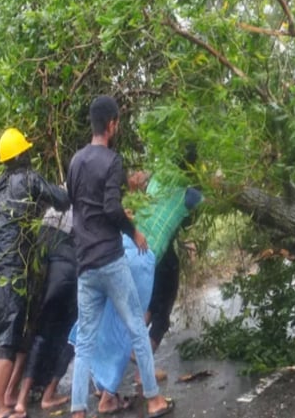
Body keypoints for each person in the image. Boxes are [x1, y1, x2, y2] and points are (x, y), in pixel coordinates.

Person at [67, 95, 173, 418]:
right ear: (111, 124)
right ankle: (154, 400)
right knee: (137, 329)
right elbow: (111, 208)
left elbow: (83, 208)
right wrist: (133, 232)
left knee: (85, 341)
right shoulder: (112, 161)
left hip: (85, 264)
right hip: (111, 260)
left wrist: (112, 214)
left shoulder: (74, 162)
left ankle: (77, 410)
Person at [90, 144, 202, 412]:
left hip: (124, 245)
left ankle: (105, 391)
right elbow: (209, 198)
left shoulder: (157, 178)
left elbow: (146, 177)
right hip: (143, 256)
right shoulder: (190, 194)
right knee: (134, 327)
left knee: (117, 321)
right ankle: (130, 397)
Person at [0, 127, 69, 418]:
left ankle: (6, 398)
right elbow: (61, 200)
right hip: (14, 269)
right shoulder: (30, 179)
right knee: (8, 339)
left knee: (10, 333)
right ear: (22, 155)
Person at [12, 207, 78, 415]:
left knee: (40, 331)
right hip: (67, 263)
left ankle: (20, 399)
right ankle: (49, 395)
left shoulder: (60, 194)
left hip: (45, 258)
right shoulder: (92, 193)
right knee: (72, 333)